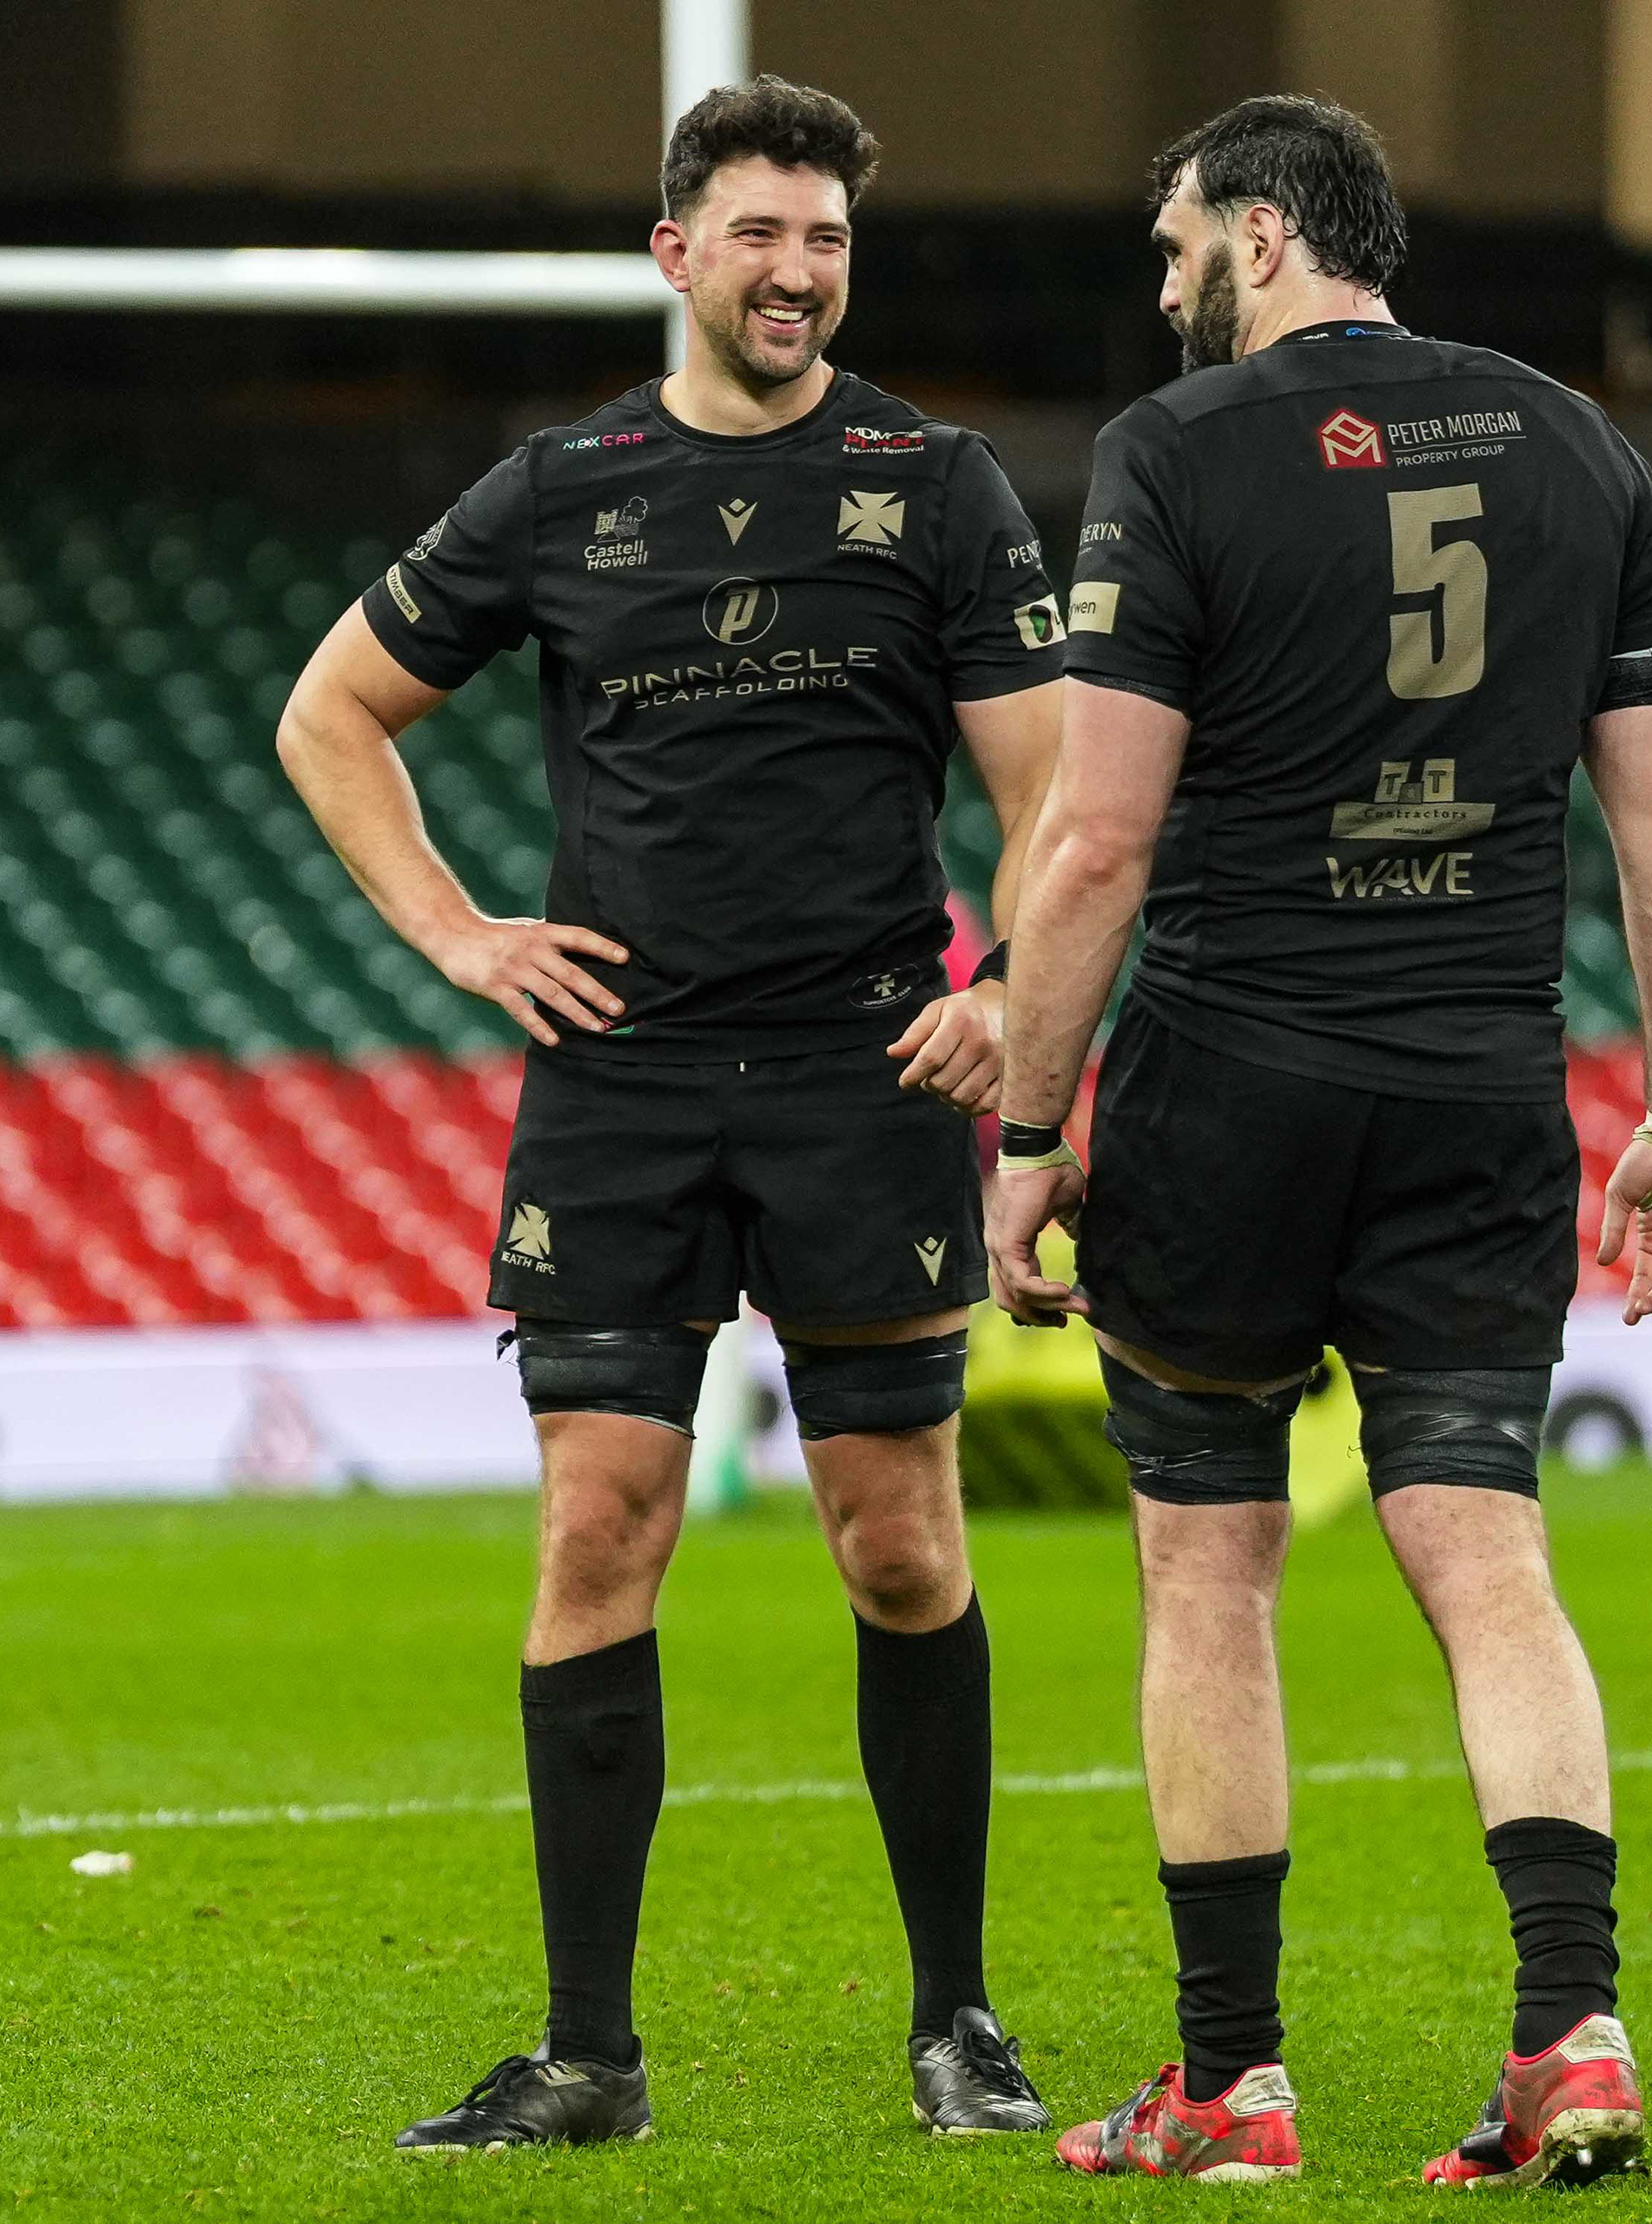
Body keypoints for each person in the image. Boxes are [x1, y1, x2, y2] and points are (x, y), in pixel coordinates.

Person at [275, 76, 1066, 2152]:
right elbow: (331, 712)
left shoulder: (937, 482)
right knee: (597, 1529)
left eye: (827, 239)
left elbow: (1057, 793)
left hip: (865, 1076)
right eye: (761, 234)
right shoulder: (562, 489)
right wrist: (460, 935)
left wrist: (1014, 992)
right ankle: (586, 2055)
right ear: (677, 253)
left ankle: (960, 2021)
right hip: (620, 1085)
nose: (797, 271)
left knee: (899, 1542)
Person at [984, 96, 1652, 2188]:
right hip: (1479, 1084)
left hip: (1231, 1084)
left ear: (1259, 231)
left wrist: (1030, 1126)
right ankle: (1574, 2035)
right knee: (1486, 1553)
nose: (1164, 288)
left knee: (1207, 1561)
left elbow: (1098, 835)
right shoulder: (1582, 446)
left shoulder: (1174, 451)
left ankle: (1232, 2081)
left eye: (1173, 246)